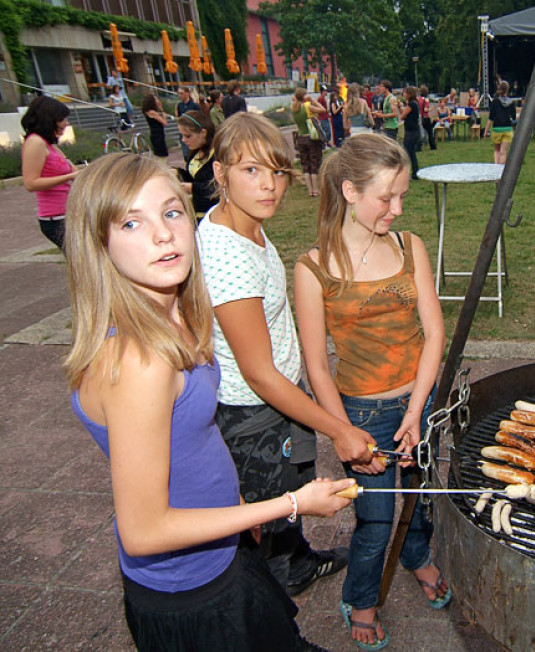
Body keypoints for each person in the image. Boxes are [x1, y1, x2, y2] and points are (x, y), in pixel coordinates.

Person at [63, 152, 355, 650]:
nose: (162, 234)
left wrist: (236, 505)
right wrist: (287, 504)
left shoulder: (171, 312)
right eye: (132, 222)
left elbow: (187, 444)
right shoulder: (140, 361)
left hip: (220, 548)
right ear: (99, 243)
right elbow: (143, 531)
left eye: (171, 212)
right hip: (192, 588)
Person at [196, 113, 381, 597]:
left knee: (288, 492)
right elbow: (258, 373)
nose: (270, 186)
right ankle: (276, 597)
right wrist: (337, 428)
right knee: (269, 511)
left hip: (276, 401)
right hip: (255, 411)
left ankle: (297, 561)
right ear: (220, 174)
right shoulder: (228, 255)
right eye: (251, 171)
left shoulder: (244, 224)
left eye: (278, 172)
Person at [293, 133, 448, 651]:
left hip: (416, 402)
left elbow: (434, 333)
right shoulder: (313, 268)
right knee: (375, 517)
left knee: (420, 495)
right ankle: (362, 598)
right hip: (361, 412)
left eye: (403, 195)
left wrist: (418, 408)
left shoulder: (410, 248)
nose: (397, 209)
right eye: (387, 197)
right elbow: (316, 362)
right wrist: (342, 432)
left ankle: (418, 556)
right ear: (350, 191)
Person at [20, 96, 80, 252]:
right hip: (55, 218)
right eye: (62, 119)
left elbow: (75, 172)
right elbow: (30, 183)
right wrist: (68, 177)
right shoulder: (35, 142)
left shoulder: (50, 145)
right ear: (49, 119)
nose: (66, 123)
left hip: (68, 213)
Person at [176, 110, 217, 216]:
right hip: (198, 211)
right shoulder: (196, 151)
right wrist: (178, 172)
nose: (183, 140)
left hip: (213, 212)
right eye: (182, 136)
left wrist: (193, 188)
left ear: (203, 133)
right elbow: (194, 178)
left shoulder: (218, 155)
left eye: (188, 136)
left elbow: (219, 187)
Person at [291, 87, 326, 197]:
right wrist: (312, 101)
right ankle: (315, 189)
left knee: (305, 164)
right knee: (314, 163)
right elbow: (323, 109)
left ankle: (310, 190)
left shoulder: (293, 108)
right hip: (311, 137)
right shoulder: (307, 107)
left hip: (300, 138)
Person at [484, 81, 516, 165]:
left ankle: (496, 169)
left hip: (497, 129)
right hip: (507, 129)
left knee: (497, 150)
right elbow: (514, 118)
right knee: (503, 152)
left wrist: (486, 131)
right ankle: (501, 172)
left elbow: (490, 118)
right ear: (507, 90)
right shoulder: (511, 102)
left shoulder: (495, 101)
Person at [399, 86, 421, 180]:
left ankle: (407, 173)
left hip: (411, 132)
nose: (403, 94)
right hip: (413, 131)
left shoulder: (411, 104)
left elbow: (403, 116)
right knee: (411, 153)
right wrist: (400, 107)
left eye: (405, 93)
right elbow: (403, 113)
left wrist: (401, 107)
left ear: (409, 94)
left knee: (406, 153)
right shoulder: (413, 104)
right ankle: (415, 172)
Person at [141, 93, 169, 160]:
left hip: (156, 133)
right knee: (162, 155)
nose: (157, 100)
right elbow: (164, 123)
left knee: (159, 154)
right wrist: (162, 111)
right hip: (157, 134)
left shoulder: (148, 111)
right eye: (156, 99)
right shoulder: (152, 112)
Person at [176, 87, 201, 159]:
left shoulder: (194, 105)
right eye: (179, 93)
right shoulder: (179, 105)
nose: (180, 95)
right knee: (186, 153)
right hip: (183, 131)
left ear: (187, 93)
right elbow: (179, 117)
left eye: (181, 93)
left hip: (192, 130)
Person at [419, 84, 436, 150]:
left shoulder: (419, 99)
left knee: (421, 132)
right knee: (430, 133)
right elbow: (425, 110)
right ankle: (432, 146)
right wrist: (431, 108)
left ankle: (419, 146)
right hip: (426, 117)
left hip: (420, 117)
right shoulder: (426, 100)